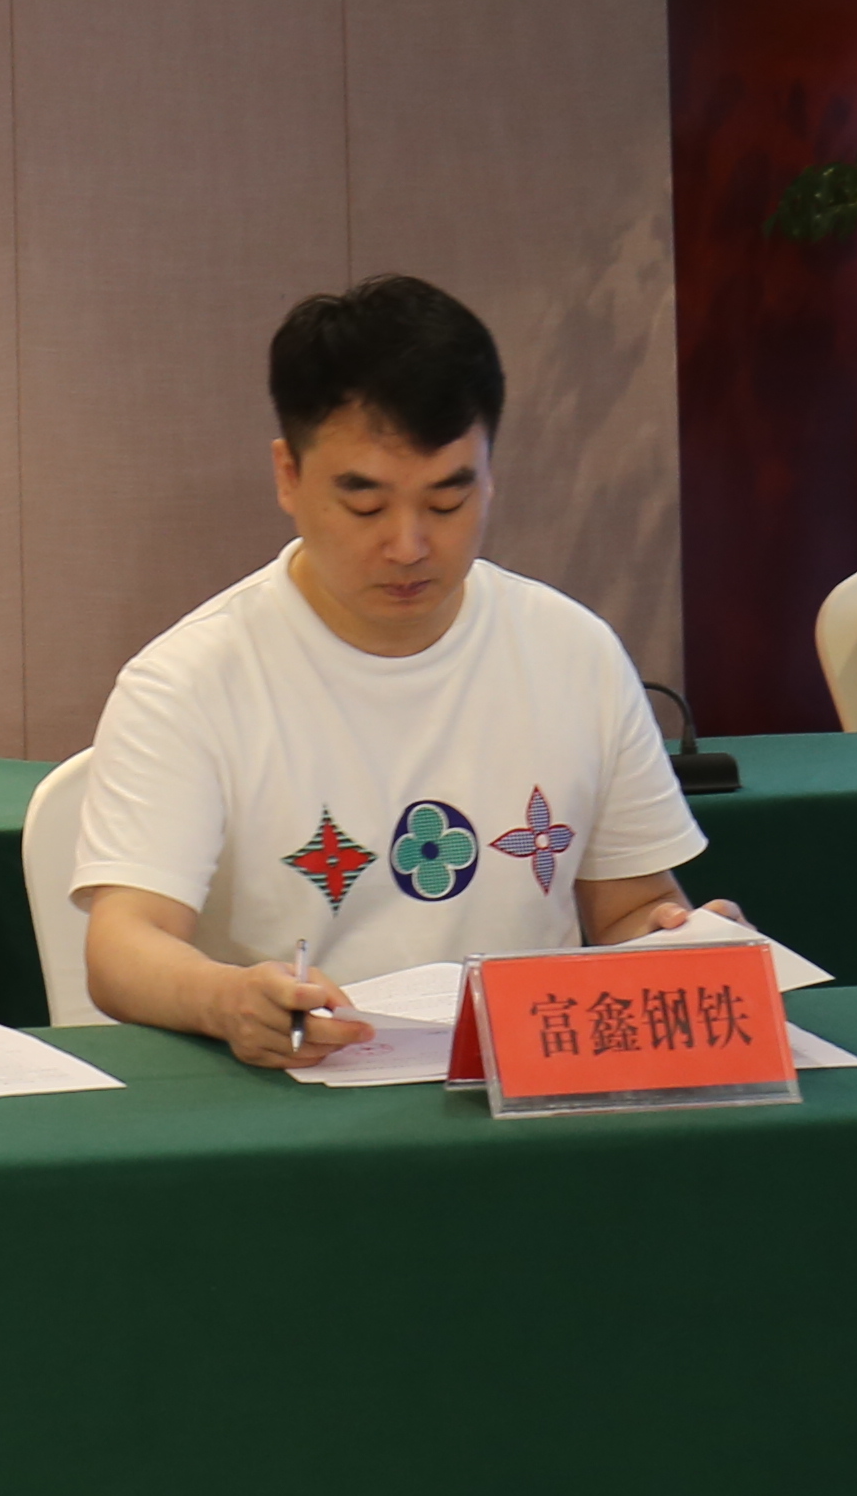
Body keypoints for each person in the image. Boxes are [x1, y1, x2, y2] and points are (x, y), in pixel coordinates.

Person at [75, 277, 715, 1070]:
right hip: (297, 1096)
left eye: (447, 502)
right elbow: (122, 945)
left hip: (525, 1093)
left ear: (490, 474)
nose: (409, 545)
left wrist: (682, 943)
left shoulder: (574, 652)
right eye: (366, 506)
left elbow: (631, 909)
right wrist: (230, 1000)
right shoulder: (190, 683)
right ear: (288, 475)